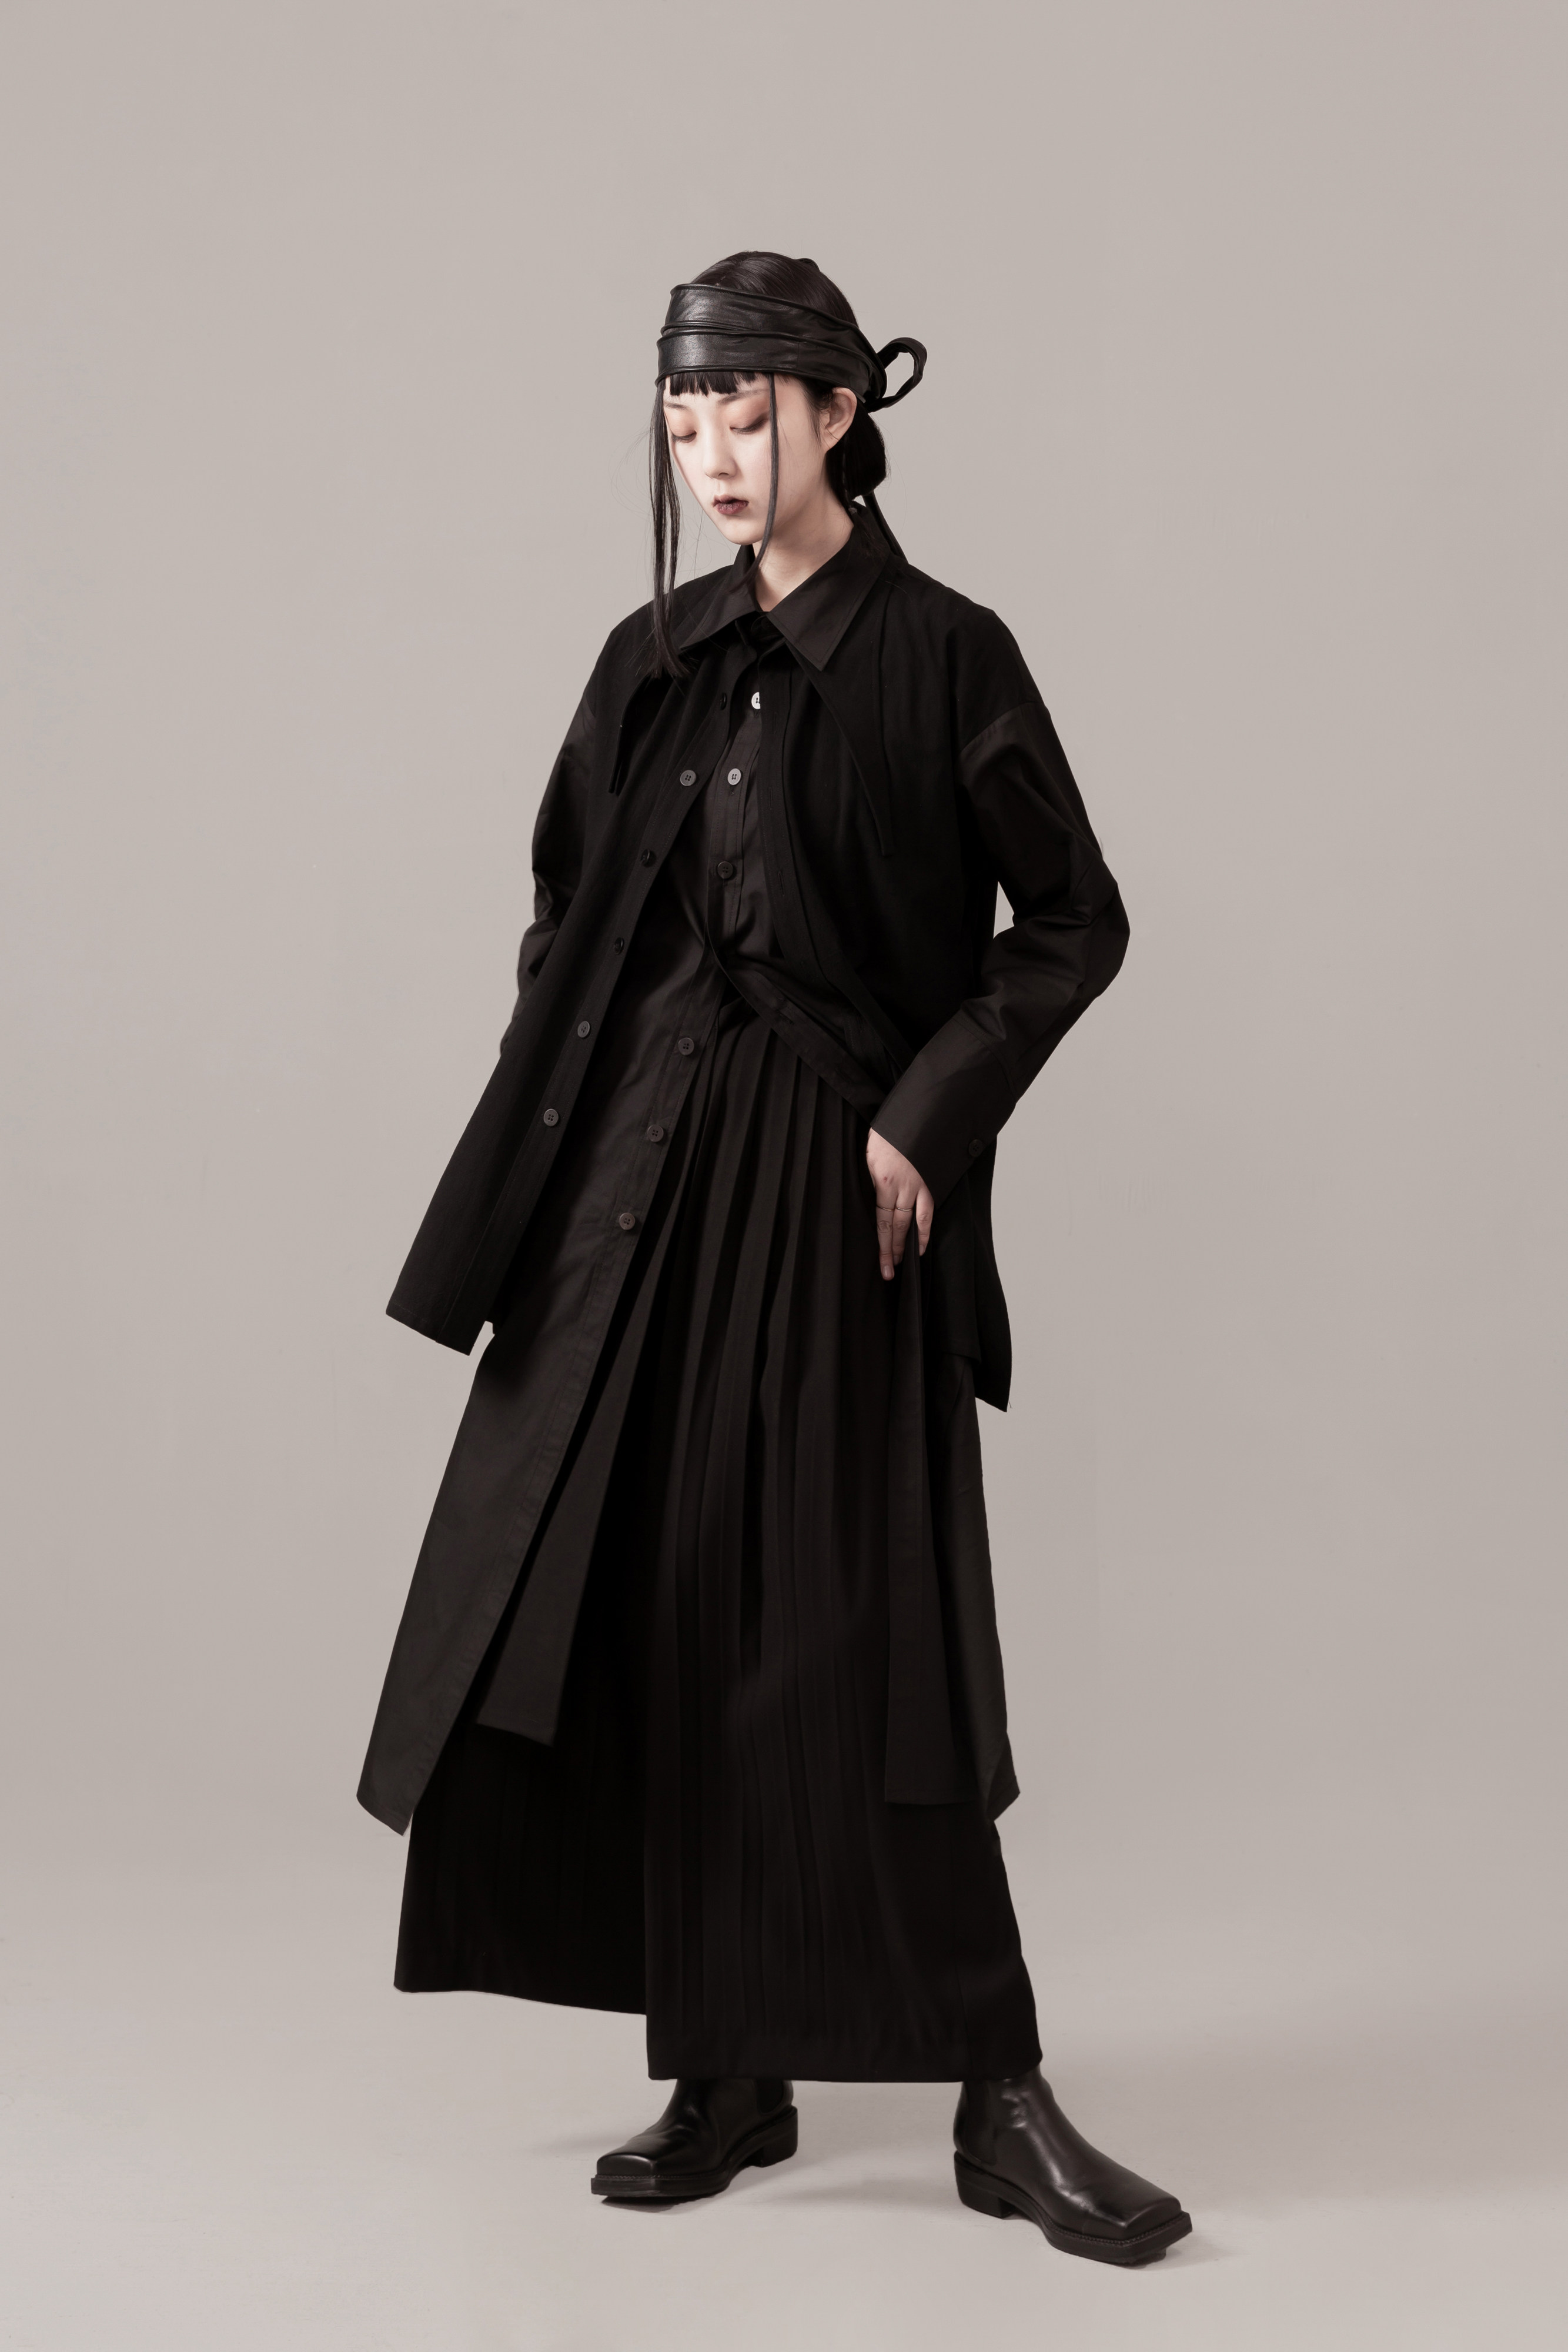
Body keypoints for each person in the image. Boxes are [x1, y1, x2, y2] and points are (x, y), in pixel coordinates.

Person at [357, 250, 1191, 2267]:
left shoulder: (945, 655)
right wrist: (575, 1123)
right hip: (630, 1193)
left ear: (836, 412)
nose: (715, 458)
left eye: (746, 416)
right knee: (642, 1603)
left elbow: (1071, 922)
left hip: (834, 1187)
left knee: (857, 1634)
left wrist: (924, 1115)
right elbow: (564, 914)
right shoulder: (648, 655)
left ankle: (995, 2094)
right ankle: (725, 2068)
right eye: (683, 423)